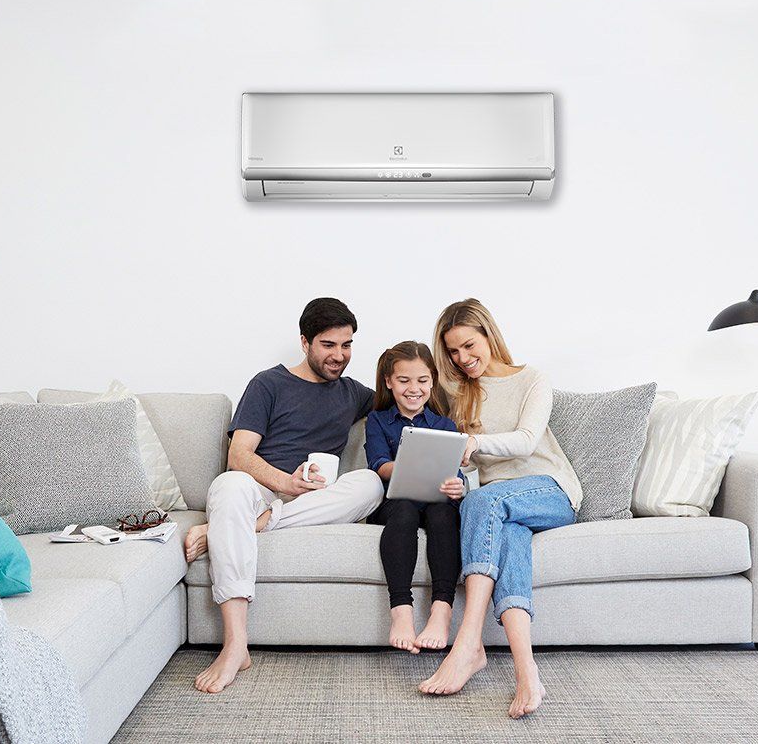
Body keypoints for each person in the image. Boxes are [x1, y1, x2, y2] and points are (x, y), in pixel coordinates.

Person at [182, 297, 383, 694]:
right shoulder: (268, 383)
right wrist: (282, 482)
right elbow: (239, 456)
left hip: (313, 499)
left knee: (372, 484)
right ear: (305, 341)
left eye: (347, 345)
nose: (339, 356)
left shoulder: (354, 393)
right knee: (229, 484)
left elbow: (407, 392)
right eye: (329, 345)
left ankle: (236, 528)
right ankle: (235, 645)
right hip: (262, 487)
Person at [417, 298, 582, 719]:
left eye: (470, 346)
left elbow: (526, 440)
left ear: (489, 335)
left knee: (486, 501)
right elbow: (470, 467)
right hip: (499, 507)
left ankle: (467, 642)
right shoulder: (457, 393)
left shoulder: (532, 379)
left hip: (549, 491)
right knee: (506, 534)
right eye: (453, 352)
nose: (463, 359)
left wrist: (474, 443)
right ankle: (528, 674)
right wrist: (460, 468)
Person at [363, 341, 465, 654]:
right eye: (404, 381)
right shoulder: (378, 421)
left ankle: (441, 611)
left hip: (435, 501)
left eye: (422, 381)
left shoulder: (444, 425)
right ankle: (401, 611)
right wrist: (408, 466)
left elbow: (455, 474)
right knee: (405, 511)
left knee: (443, 514)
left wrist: (457, 486)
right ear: (389, 382)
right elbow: (378, 465)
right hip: (396, 502)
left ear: (432, 382)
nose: (413, 389)